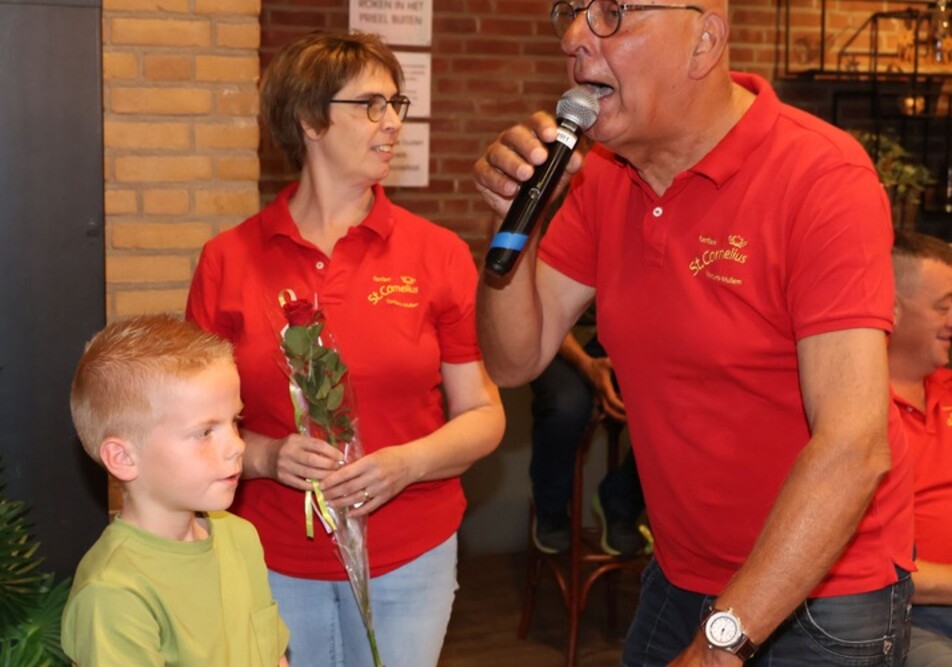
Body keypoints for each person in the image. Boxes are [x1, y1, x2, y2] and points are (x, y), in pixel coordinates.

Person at [472, 1, 914, 665]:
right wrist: (516, 222)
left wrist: (714, 648)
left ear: (704, 39)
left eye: (613, 11)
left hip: (825, 592)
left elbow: (854, 447)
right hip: (682, 571)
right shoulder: (604, 174)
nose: (574, 37)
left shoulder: (821, 175)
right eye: (572, 11)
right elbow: (514, 360)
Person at [185, 31, 505, 667]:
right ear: (310, 120)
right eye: (371, 105)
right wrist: (267, 455)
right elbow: (191, 426)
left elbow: (484, 415)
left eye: (396, 104)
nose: (393, 123)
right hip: (270, 554)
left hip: (408, 556)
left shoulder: (437, 254)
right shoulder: (227, 260)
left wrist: (405, 464)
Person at [62, 314, 290, 666]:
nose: (237, 446)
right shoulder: (114, 591)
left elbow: (273, 656)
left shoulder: (240, 537)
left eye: (234, 422)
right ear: (123, 458)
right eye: (204, 432)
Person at [530, 323, 648, 556]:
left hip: (627, 339)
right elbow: (544, 314)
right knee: (567, 408)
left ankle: (621, 502)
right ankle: (550, 506)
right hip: (558, 338)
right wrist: (587, 365)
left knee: (679, 405)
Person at [889, 230, 952, 667]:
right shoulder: (859, 410)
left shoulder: (946, 387)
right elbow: (876, 567)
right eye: (943, 307)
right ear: (891, 309)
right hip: (910, 614)